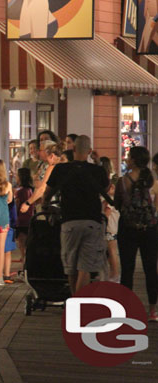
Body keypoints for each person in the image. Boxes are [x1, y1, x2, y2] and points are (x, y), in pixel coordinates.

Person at [43, 135, 109, 294]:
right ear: (90, 151)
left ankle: (75, 302)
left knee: (70, 268)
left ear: (72, 149)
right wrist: (98, 162)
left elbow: (46, 194)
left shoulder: (61, 169)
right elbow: (106, 189)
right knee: (85, 268)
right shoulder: (98, 170)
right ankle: (79, 304)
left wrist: (47, 207)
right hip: (92, 220)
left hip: (69, 221)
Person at [114, 146, 158, 322]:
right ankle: (153, 310)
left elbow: (118, 204)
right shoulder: (152, 180)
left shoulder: (123, 181)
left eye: (128, 156)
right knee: (150, 269)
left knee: (127, 269)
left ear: (133, 160)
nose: (126, 158)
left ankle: (127, 310)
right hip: (150, 228)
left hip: (128, 228)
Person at [20, 141, 62, 214]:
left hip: (51, 206)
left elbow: (42, 188)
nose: (38, 152)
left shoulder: (52, 166)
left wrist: (27, 203)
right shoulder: (42, 164)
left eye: (40, 150)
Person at [15, 167, 34, 277]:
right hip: (29, 220)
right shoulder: (30, 190)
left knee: (23, 247)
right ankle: (27, 268)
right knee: (28, 246)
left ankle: (25, 269)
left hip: (21, 221)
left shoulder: (20, 191)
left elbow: (17, 207)